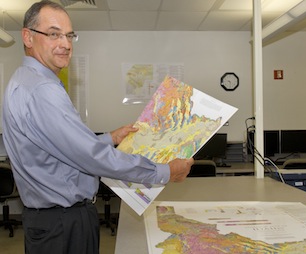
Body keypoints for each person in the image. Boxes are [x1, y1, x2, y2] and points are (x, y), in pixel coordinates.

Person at [1, 1, 193, 253]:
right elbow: (90, 157)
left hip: (49, 221)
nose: (66, 44)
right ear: (27, 37)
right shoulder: (42, 90)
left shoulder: (23, 81)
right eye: (53, 34)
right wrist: (164, 171)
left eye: (69, 35)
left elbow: (61, 150)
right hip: (64, 224)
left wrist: (110, 138)